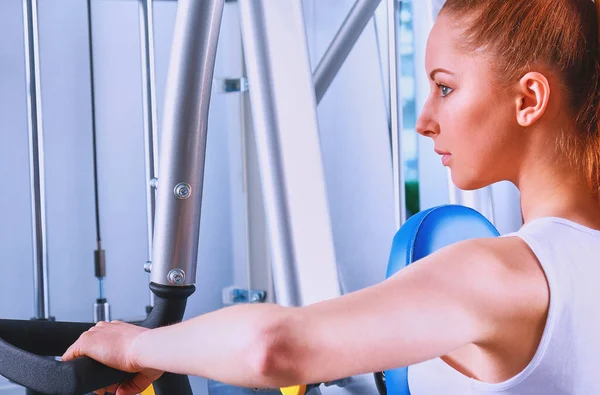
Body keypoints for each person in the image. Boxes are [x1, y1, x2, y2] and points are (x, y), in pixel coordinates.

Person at [63, 0, 600, 394]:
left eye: (445, 87)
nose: (425, 121)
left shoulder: (499, 275)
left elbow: (274, 348)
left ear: (529, 98)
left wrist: (134, 346)